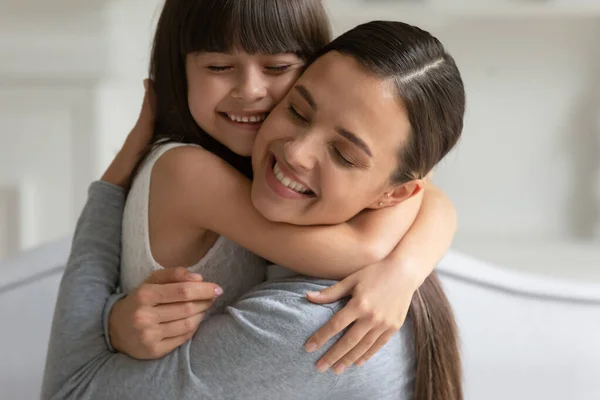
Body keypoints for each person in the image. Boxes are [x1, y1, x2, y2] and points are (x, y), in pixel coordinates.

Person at [42, 20, 465, 400]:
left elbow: (69, 392)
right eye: (297, 110)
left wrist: (110, 188)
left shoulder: (316, 321)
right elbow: (427, 196)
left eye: (344, 154)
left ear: (394, 195)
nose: (297, 152)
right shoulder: (390, 242)